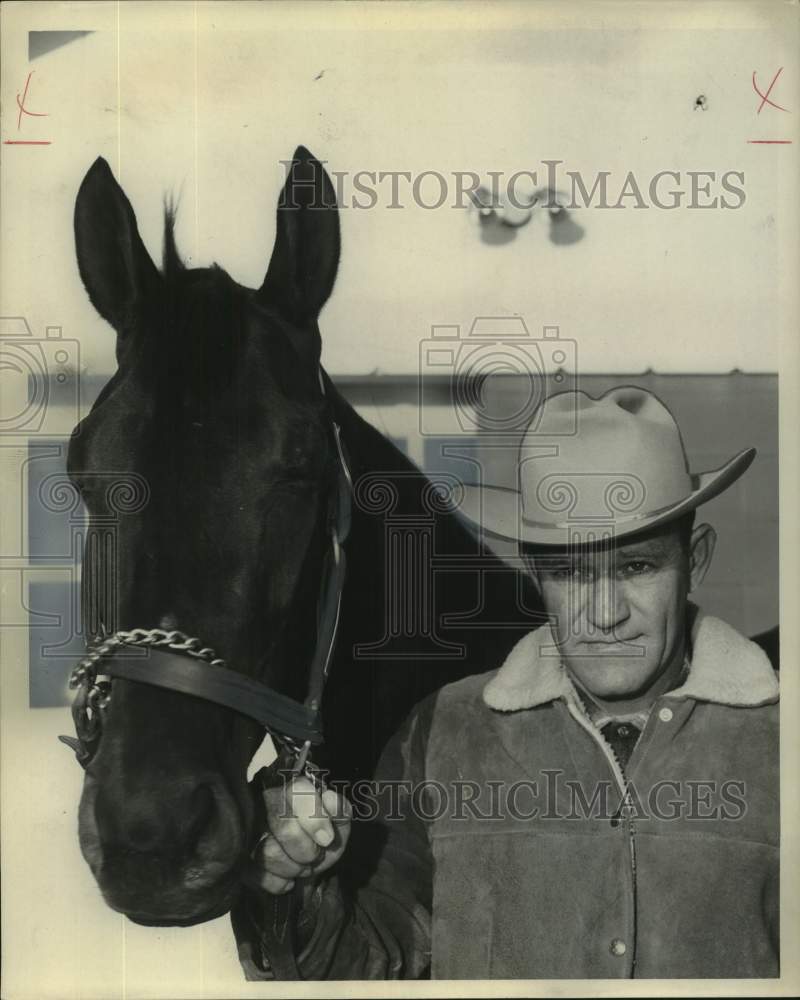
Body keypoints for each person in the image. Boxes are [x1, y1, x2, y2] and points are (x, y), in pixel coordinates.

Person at [246, 386, 779, 979]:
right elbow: (372, 966)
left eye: (637, 565)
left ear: (695, 561)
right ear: (534, 572)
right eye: (569, 571)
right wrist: (299, 888)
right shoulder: (442, 733)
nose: (605, 614)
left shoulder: (783, 741)